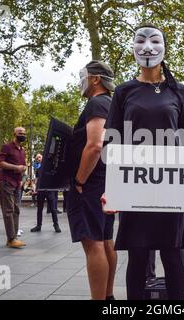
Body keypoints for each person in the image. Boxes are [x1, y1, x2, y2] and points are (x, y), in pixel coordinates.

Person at [103, 25, 184, 300]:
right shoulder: (123, 92)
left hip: (172, 187)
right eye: (140, 41)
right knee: (137, 256)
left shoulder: (179, 91)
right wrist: (112, 190)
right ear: (133, 48)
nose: (147, 47)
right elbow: (114, 142)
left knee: (173, 257)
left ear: (165, 48)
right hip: (135, 186)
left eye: (154, 41)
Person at [66, 60, 117, 300]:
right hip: (107, 181)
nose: (81, 81)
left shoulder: (97, 103)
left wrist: (79, 179)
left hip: (91, 183)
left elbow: (95, 146)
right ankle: (107, 297)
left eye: (83, 76)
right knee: (106, 240)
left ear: (96, 79)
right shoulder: (113, 104)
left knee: (93, 243)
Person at [0, 127, 27, 248]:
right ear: (14, 134)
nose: (23, 135)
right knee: (8, 210)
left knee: (16, 210)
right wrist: (16, 168)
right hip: (6, 182)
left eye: (24, 133)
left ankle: (12, 237)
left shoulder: (23, 150)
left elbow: (23, 165)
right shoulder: (7, 147)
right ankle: (11, 238)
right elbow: (0, 163)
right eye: (20, 133)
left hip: (17, 183)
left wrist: (22, 174)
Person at [30, 154, 61, 233]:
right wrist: (35, 189)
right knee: (39, 209)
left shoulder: (50, 167)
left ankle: (56, 224)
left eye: (39, 157)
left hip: (49, 190)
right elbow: (36, 180)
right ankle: (38, 225)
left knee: (53, 209)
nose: (38, 159)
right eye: (37, 158)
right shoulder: (38, 169)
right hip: (41, 190)